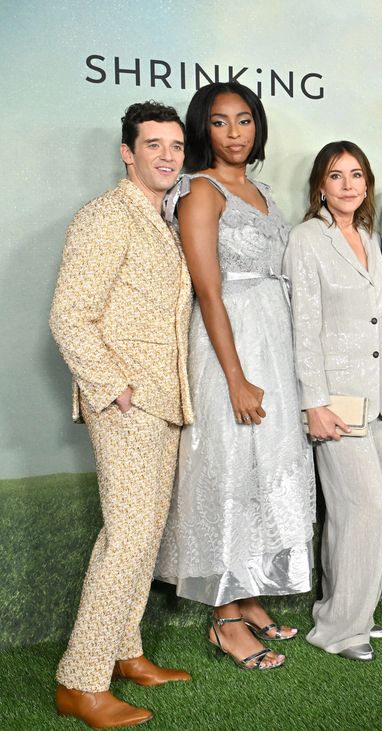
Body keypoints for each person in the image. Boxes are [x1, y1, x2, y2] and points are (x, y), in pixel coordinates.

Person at [155, 82, 315, 667]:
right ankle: (224, 620)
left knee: (262, 467)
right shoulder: (200, 190)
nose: (235, 132)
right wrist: (236, 377)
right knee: (228, 468)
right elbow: (208, 290)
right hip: (231, 347)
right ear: (204, 130)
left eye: (244, 120)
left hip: (273, 340)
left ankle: (247, 597)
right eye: (220, 122)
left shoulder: (263, 191)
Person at [51, 100, 192, 728]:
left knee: (145, 537)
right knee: (126, 539)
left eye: (175, 145)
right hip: (126, 402)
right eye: (153, 144)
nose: (166, 155)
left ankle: (125, 651)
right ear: (127, 153)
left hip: (164, 401)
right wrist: (114, 389)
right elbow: (68, 316)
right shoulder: (105, 217)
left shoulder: (159, 220)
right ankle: (80, 680)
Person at [282, 141, 382, 662]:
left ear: (366, 183)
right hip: (334, 399)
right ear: (320, 187)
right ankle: (339, 632)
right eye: (336, 176)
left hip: (375, 398)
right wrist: (314, 402)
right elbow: (303, 326)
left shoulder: (369, 239)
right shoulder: (307, 239)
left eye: (356, 175)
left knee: (351, 514)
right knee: (366, 507)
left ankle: (347, 612)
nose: (348, 185)